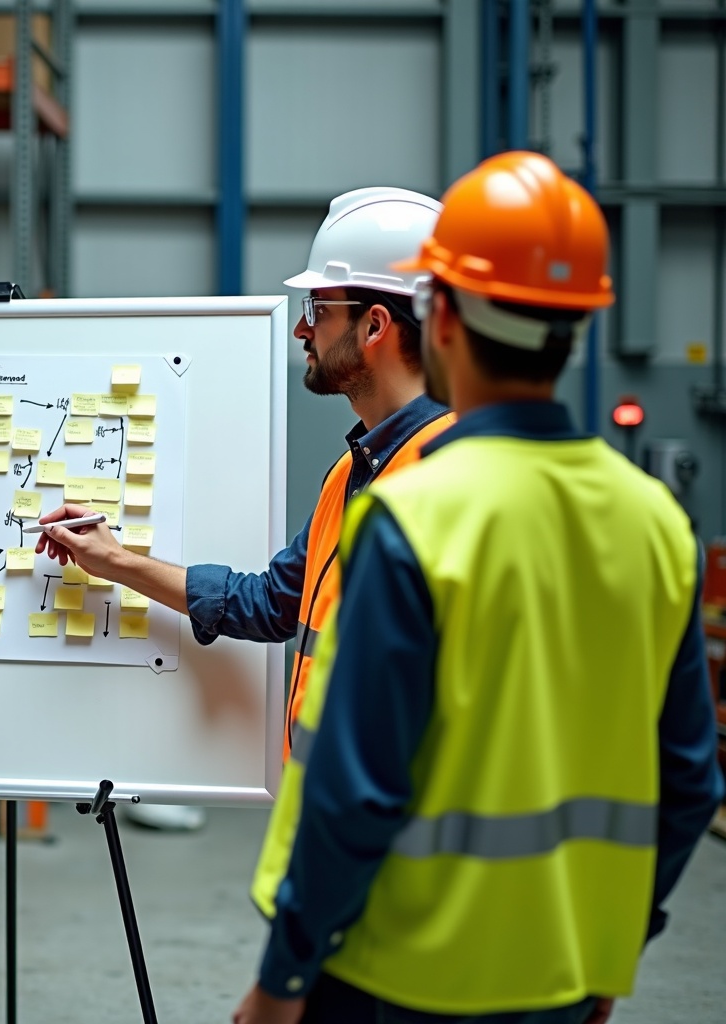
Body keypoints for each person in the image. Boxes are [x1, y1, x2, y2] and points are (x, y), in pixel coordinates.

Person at [233, 152, 724, 1024]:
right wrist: (612, 947)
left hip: (396, 979)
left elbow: (355, 792)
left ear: (443, 317)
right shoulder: (654, 524)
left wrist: (282, 981)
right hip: (565, 979)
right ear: (578, 327)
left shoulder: (413, 516)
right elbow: (689, 783)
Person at [37, 188, 452, 831]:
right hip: (332, 828)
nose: (301, 329)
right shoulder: (354, 473)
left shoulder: (450, 481)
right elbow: (267, 604)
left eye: (318, 307)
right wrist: (115, 560)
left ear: (373, 326)